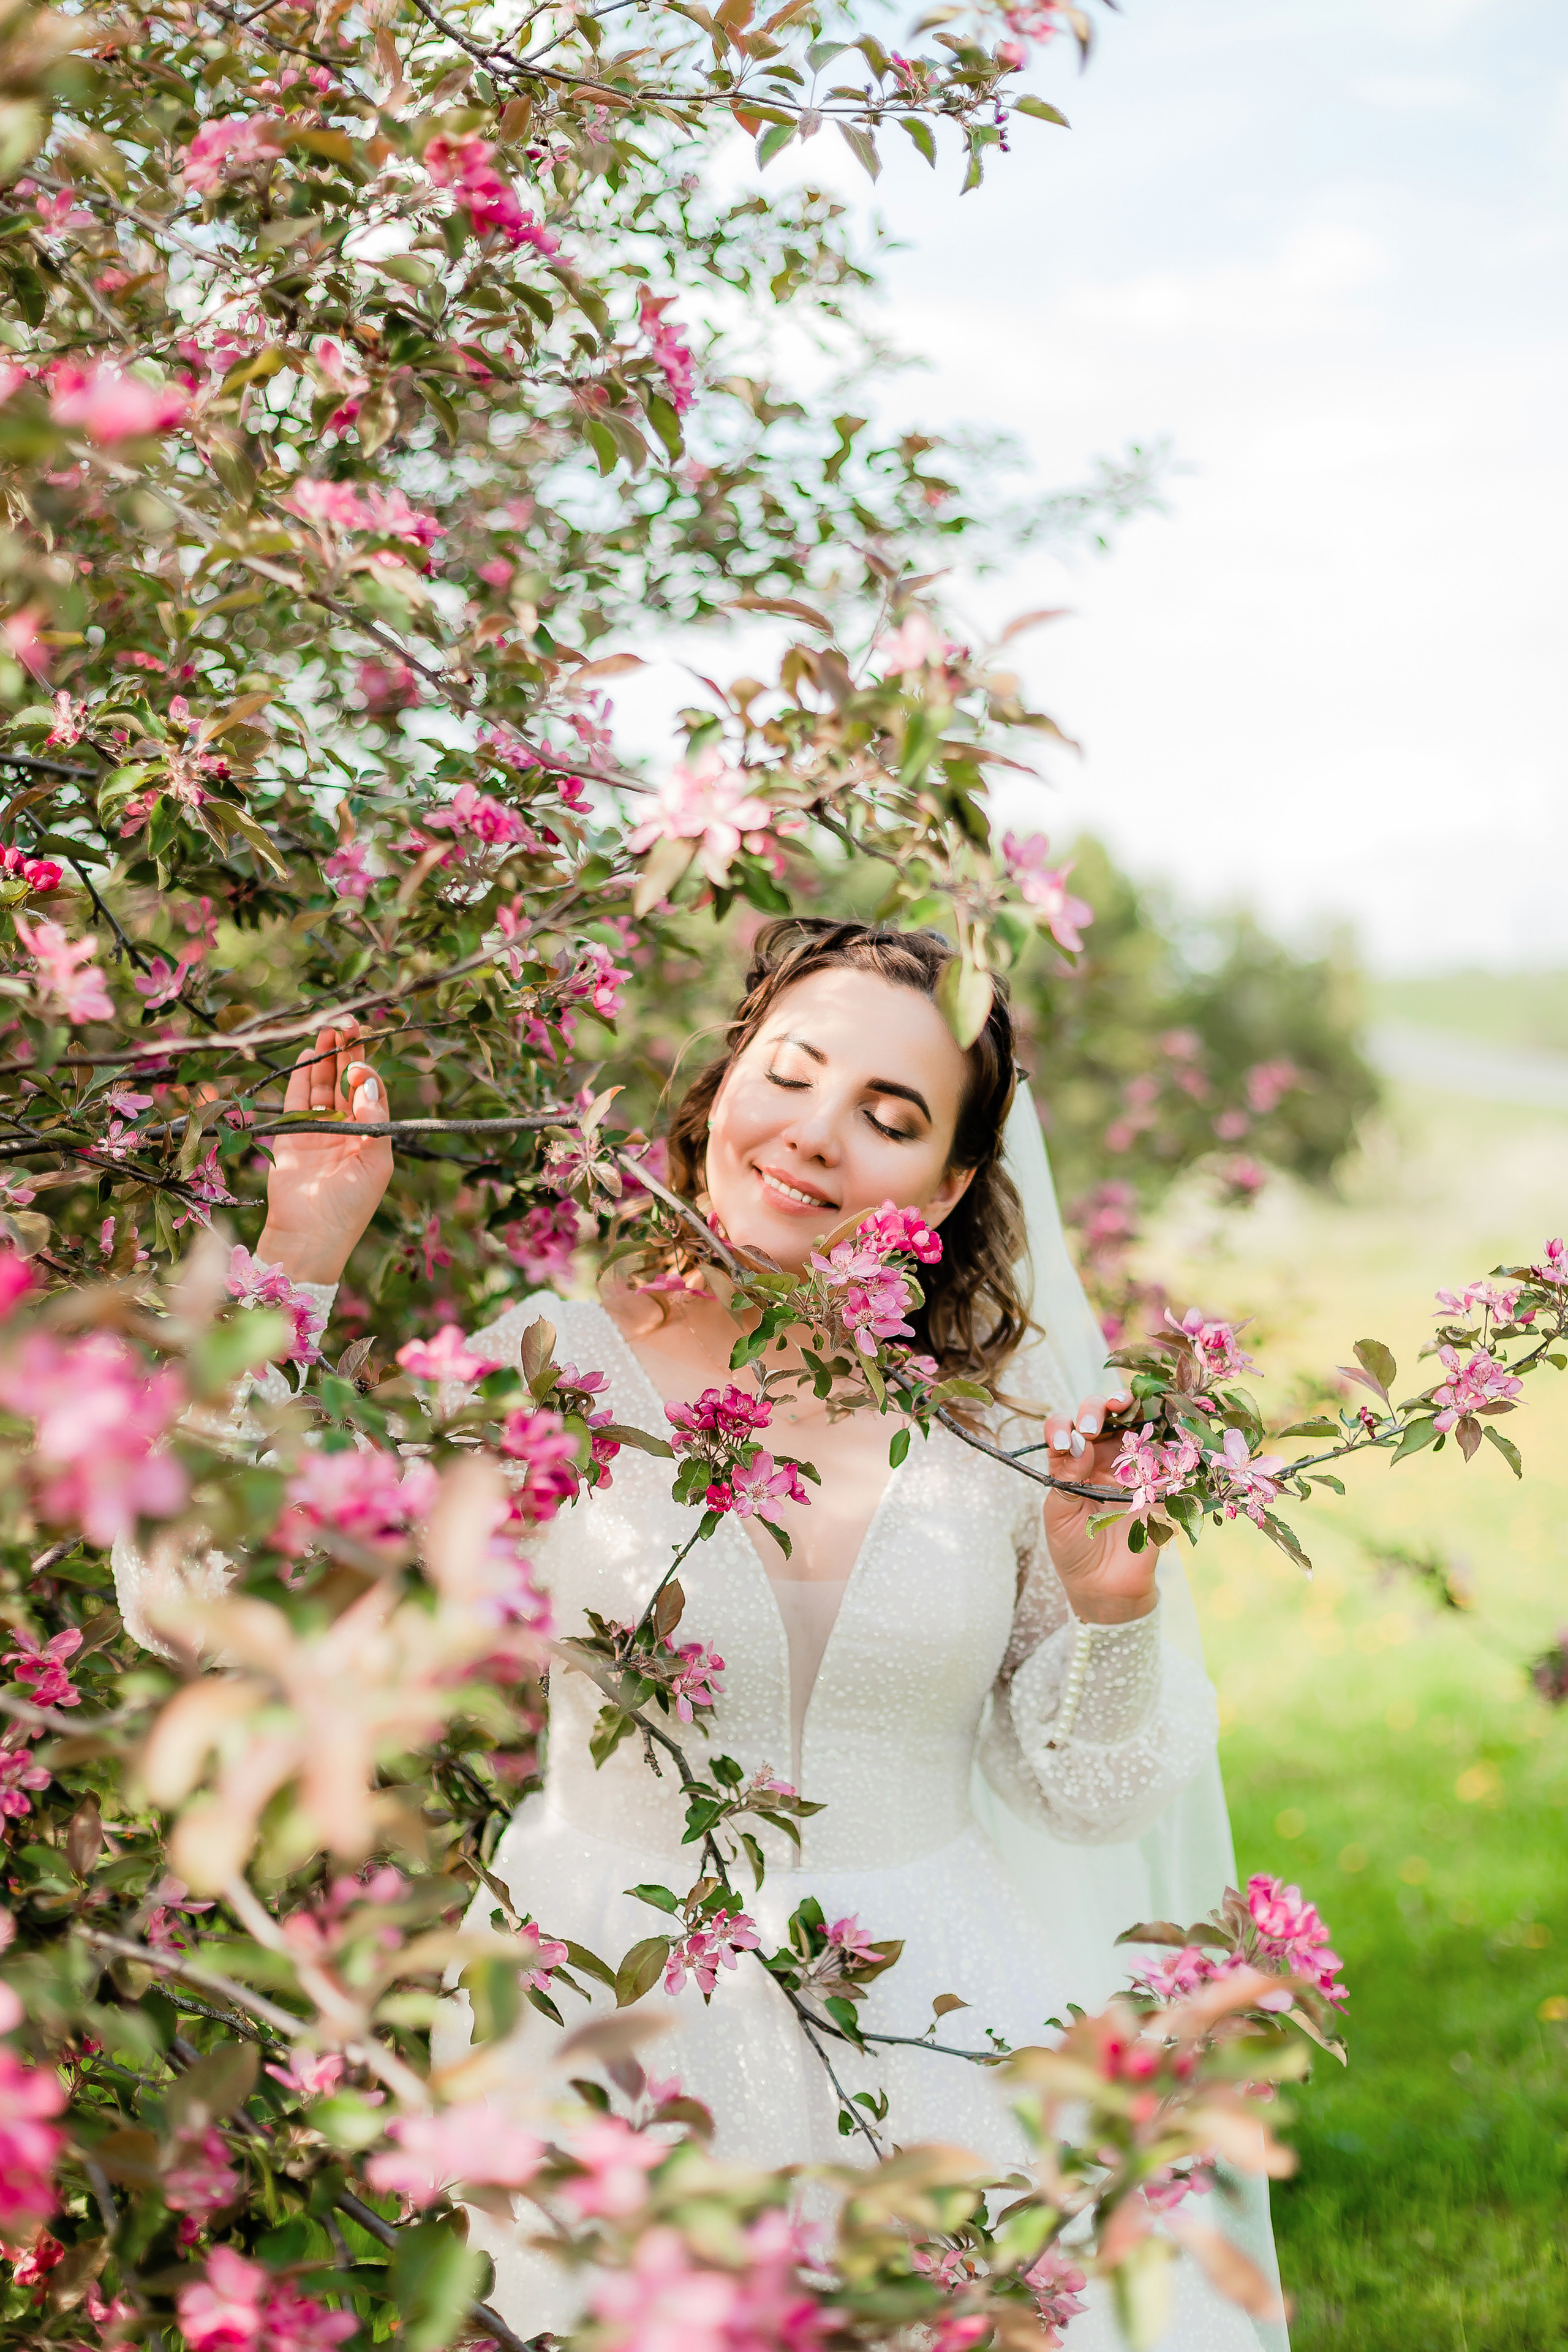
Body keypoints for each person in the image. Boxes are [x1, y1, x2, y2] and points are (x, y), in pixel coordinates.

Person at [138, 921, 1286, 2350]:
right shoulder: (547, 1368)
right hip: (602, 2013)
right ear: (720, 1086)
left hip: (932, 2018)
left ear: (949, 1185)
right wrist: (298, 1255)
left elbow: (1089, 1797)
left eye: (888, 1117)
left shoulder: (999, 1433)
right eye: (789, 1074)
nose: (814, 1134)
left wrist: (1109, 1614)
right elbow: (204, 1599)